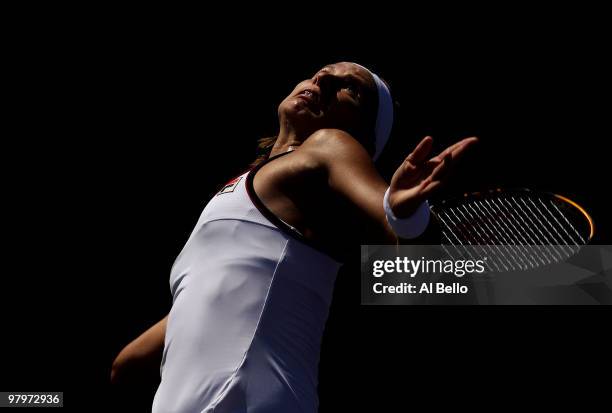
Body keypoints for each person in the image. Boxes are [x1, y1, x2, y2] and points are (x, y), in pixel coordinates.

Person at [111, 62, 477, 412]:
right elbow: (131, 363)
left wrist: (404, 216)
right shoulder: (237, 191)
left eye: (350, 87)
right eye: (324, 71)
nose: (324, 78)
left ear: (362, 137)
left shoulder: (329, 145)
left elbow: (417, 273)